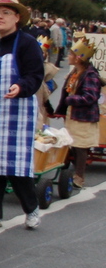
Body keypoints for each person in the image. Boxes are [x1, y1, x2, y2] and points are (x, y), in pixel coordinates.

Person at [0, 0, 44, 230]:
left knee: (17, 166)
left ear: (17, 17)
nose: (0, 17)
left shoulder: (27, 43)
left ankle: (32, 209)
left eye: (6, 13)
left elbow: (35, 75)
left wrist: (21, 86)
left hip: (17, 111)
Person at [55, 38, 101, 189]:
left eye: (71, 54)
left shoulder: (90, 75)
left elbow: (91, 96)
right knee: (70, 144)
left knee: (81, 146)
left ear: (79, 58)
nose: (68, 57)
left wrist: (71, 100)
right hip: (73, 114)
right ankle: (67, 172)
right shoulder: (75, 72)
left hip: (84, 117)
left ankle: (79, 177)